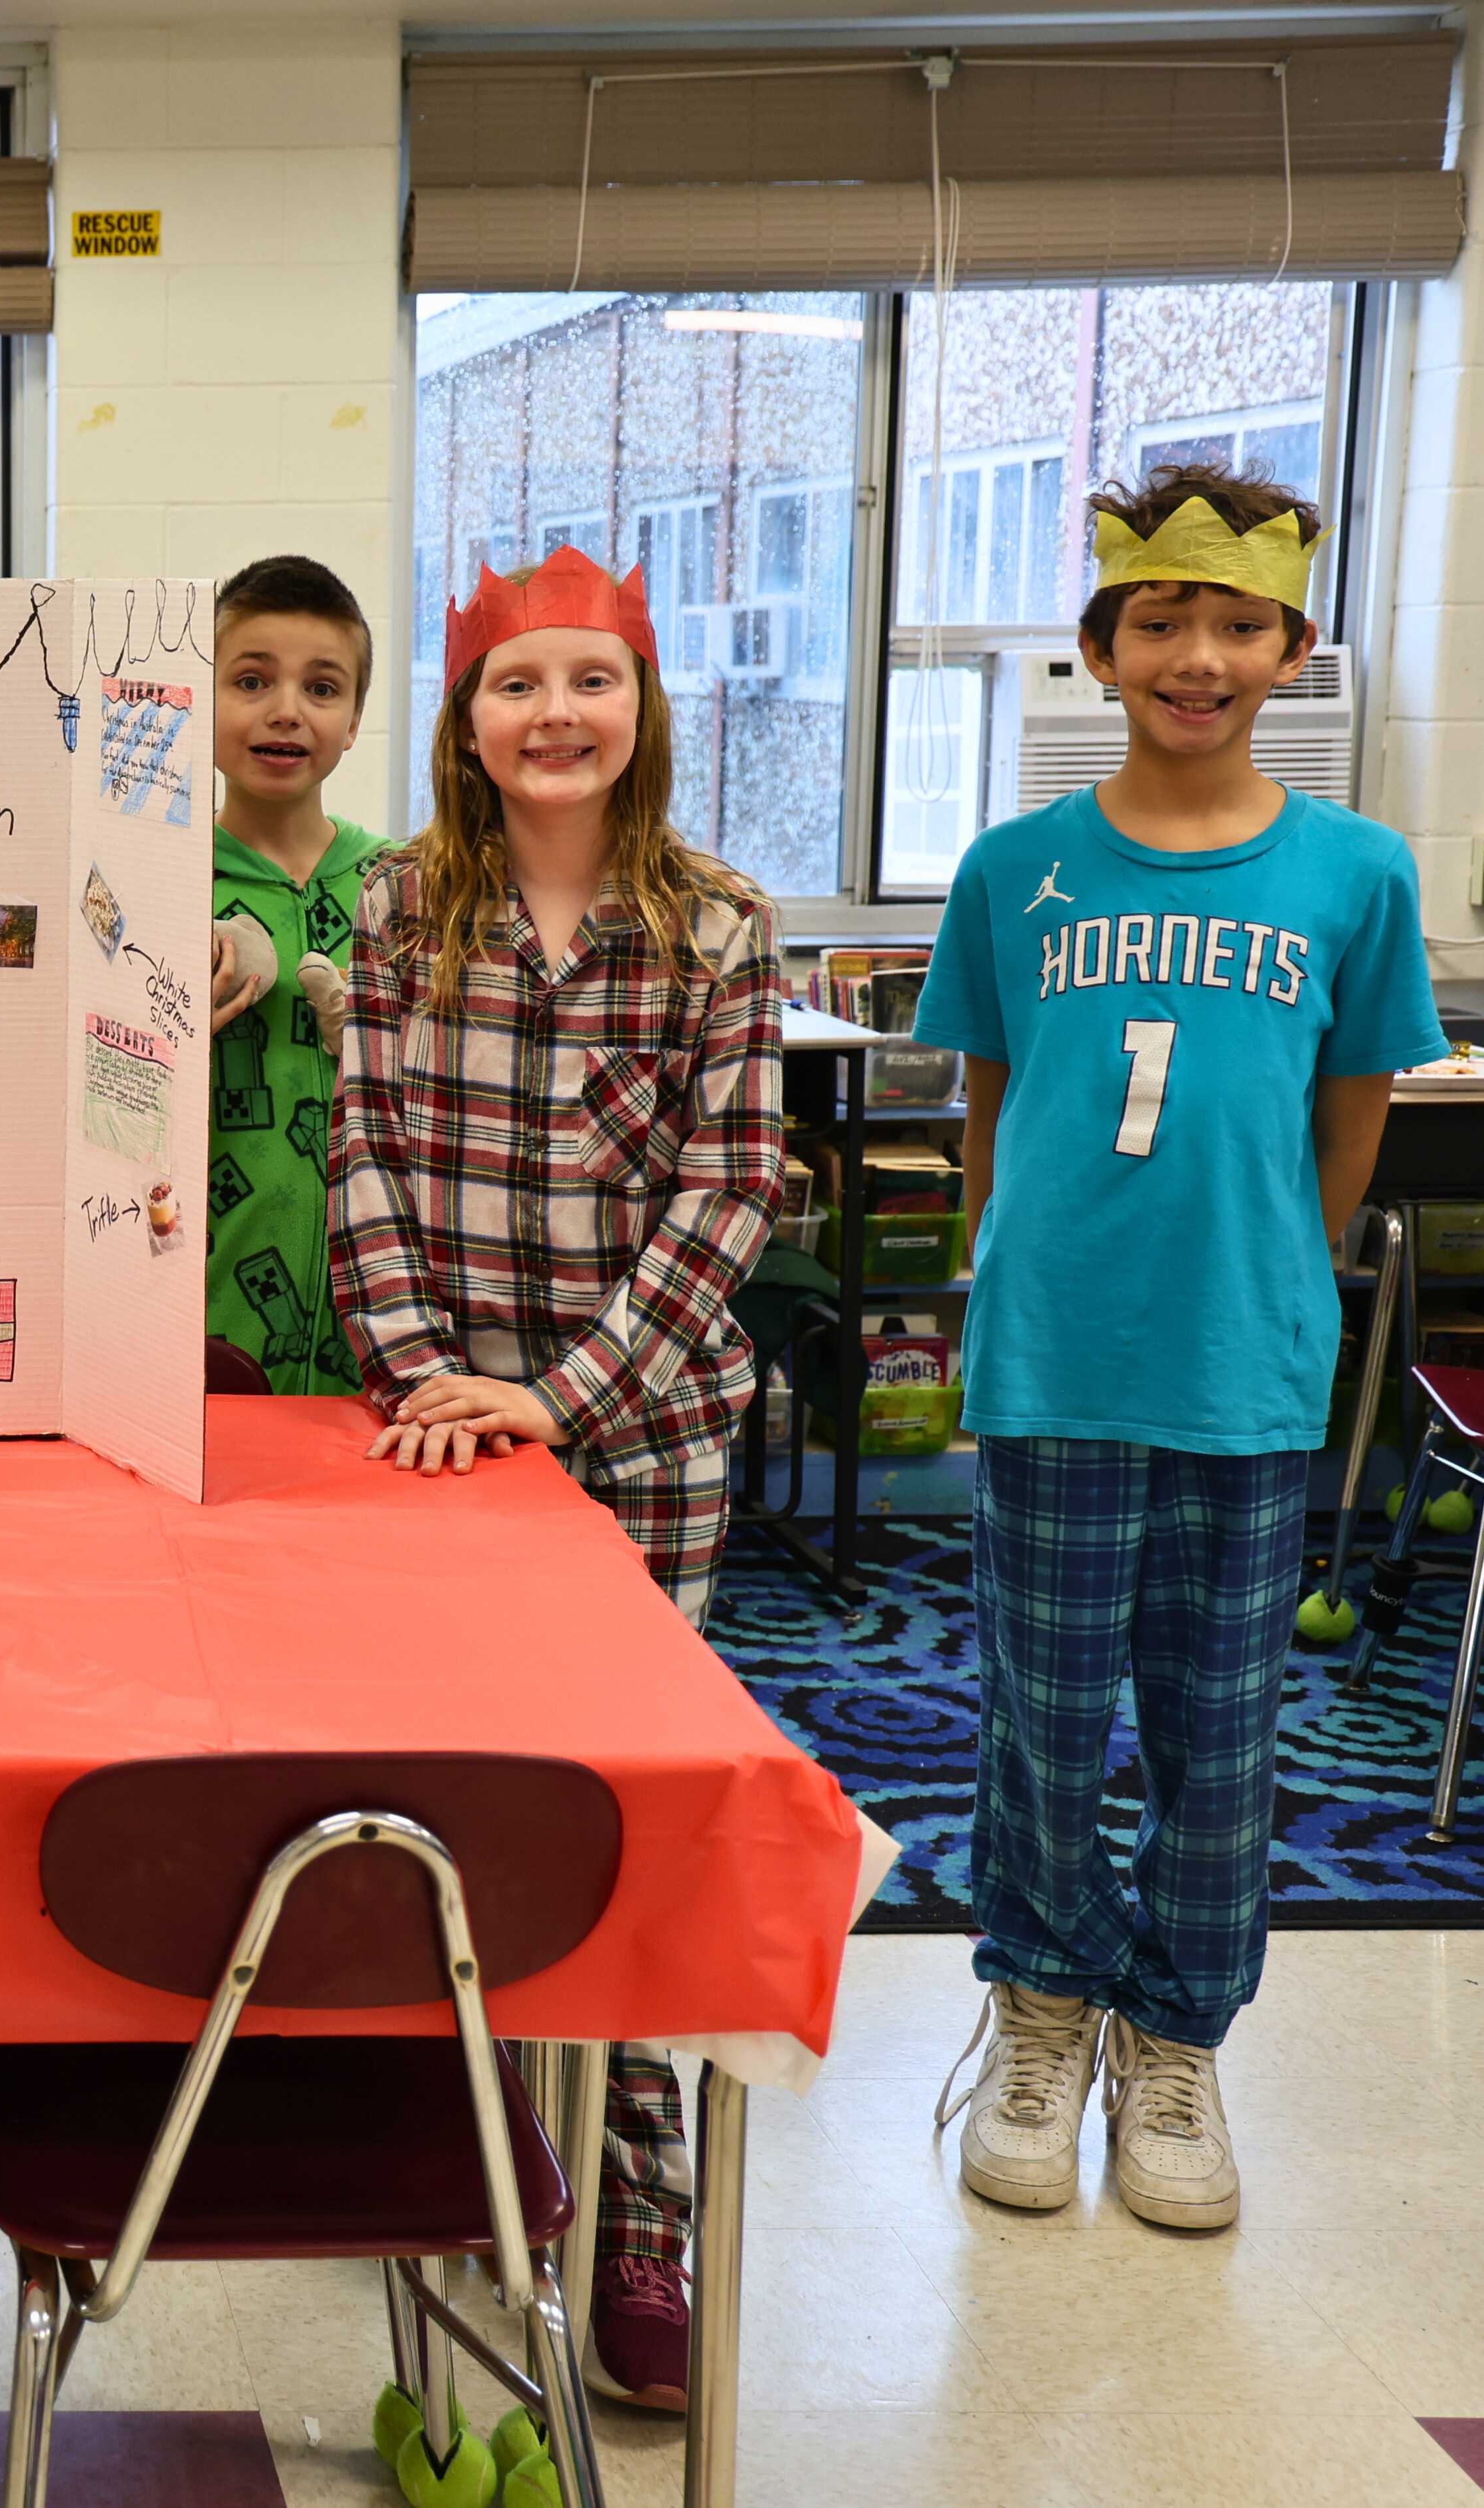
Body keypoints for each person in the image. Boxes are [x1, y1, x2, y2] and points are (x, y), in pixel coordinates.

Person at [916, 464, 1436, 2233]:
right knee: (1044, 1716)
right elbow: (988, 1106)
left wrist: (1274, 1278)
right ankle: (1042, 1999)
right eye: (1158, 620)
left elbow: (1343, 1121)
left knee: (1219, 1730)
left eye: (1232, 624)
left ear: (1288, 646)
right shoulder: (1012, 870)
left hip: (1241, 1362)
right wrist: (1010, 1272)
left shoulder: (1352, 872)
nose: (1193, 655)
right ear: (1100, 644)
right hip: (1056, 1353)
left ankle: (1174, 2032)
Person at [328, 544, 783, 2409]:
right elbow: (357, 1144)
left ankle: (640, 2200)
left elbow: (729, 1189)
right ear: (465, 720)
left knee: (622, 1820)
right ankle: (464, 2139)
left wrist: (568, 1396)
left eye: (590, 681)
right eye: (517, 686)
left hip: (644, 1441)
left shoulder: (720, 928)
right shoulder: (399, 905)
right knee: (450, 1808)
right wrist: (431, 1369)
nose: (555, 715)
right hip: (429, 1438)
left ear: (640, 706)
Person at [203, 555, 386, 1394]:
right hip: (207, 1323)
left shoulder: (406, 884)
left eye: (322, 688)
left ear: (354, 721)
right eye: (250, 680)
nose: (286, 711)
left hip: (386, 1330)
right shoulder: (158, 879)